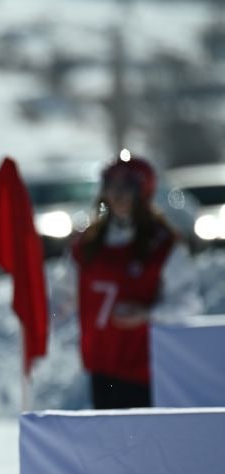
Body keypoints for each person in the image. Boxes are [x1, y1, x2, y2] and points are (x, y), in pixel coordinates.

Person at [71, 153, 203, 409]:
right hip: (101, 364)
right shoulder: (88, 243)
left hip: (145, 368)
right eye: (112, 186)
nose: (118, 195)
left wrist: (147, 314)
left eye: (127, 187)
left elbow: (188, 304)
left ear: (143, 191)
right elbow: (64, 294)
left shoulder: (162, 244)